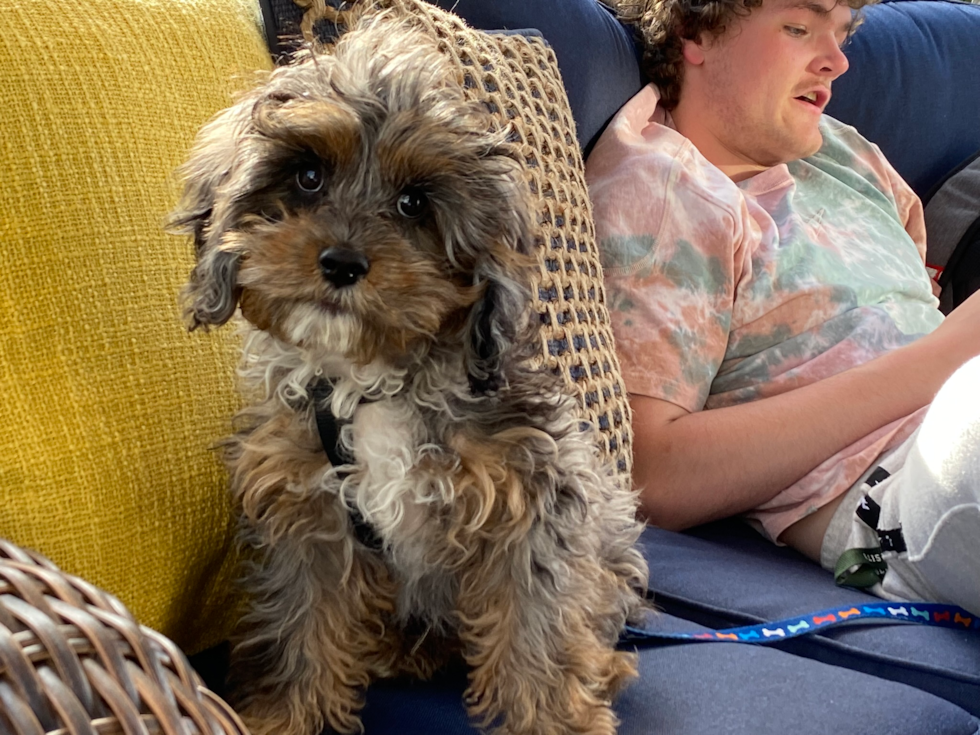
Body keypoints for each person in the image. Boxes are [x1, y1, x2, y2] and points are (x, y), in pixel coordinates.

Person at [585, 0, 980, 615]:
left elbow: (911, 302)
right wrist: (944, 359)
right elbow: (651, 476)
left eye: (842, 33)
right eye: (799, 28)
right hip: (893, 495)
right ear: (696, 31)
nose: (837, 61)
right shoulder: (664, 192)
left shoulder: (842, 154)